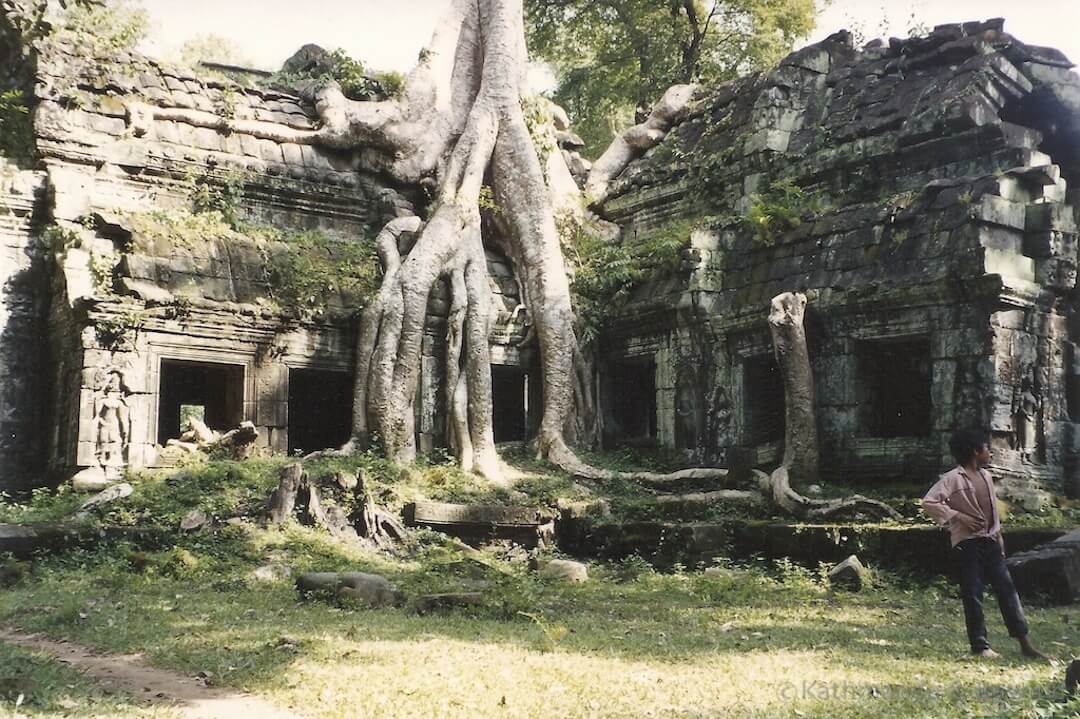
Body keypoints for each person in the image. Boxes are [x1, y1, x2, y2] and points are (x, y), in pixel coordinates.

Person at [922, 428, 1045, 659]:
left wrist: (998, 537)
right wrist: (958, 517)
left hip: (990, 542)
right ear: (975, 451)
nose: (991, 452)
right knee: (972, 593)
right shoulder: (952, 479)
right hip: (967, 545)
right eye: (987, 448)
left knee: (1008, 591)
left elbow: (992, 513)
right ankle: (980, 646)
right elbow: (929, 502)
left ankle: (1025, 644)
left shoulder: (986, 477)